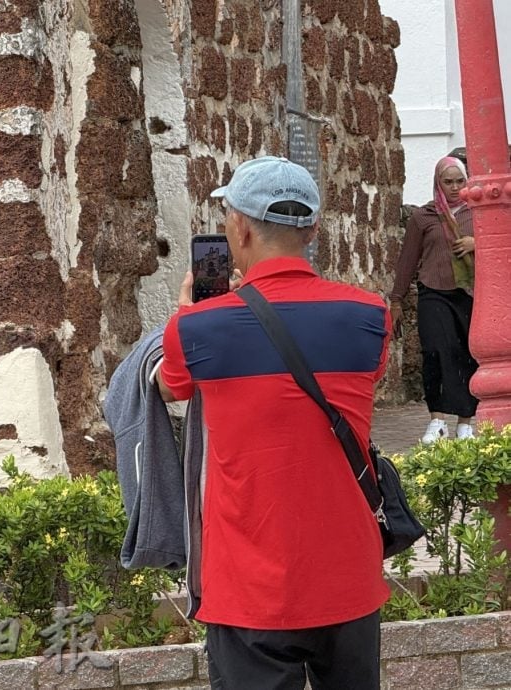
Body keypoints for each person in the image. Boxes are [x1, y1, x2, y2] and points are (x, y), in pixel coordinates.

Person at [156, 157, 390, 689]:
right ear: (312, 229)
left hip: (247, 583)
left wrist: (187, 312)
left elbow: (171, 386)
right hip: (347, 573)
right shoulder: (371, 315)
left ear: (238, 227)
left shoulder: (196, 328)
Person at [389, 155, 478, 443]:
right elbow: (407, 260)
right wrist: (396, 299)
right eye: (447, 182)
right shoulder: (423, 216)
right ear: (437, 183)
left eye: (459, 181)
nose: (454, 187)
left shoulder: (478, 213)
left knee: (466, 355)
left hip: (470, 293)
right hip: (433, 292)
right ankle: (436, 420)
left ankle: (465, 422)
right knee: (436, 351)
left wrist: (477, 243)